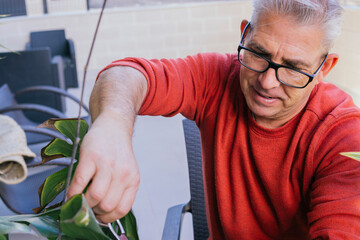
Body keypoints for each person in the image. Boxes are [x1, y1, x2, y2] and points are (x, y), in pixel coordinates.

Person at [67, 0, 360, 239]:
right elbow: (125, 74)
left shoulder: (345, 137)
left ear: (325, 67)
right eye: (259, 53)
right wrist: (113, 125)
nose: (268, 82)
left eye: (294, 68)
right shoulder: (217, 77)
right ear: (245, 33)